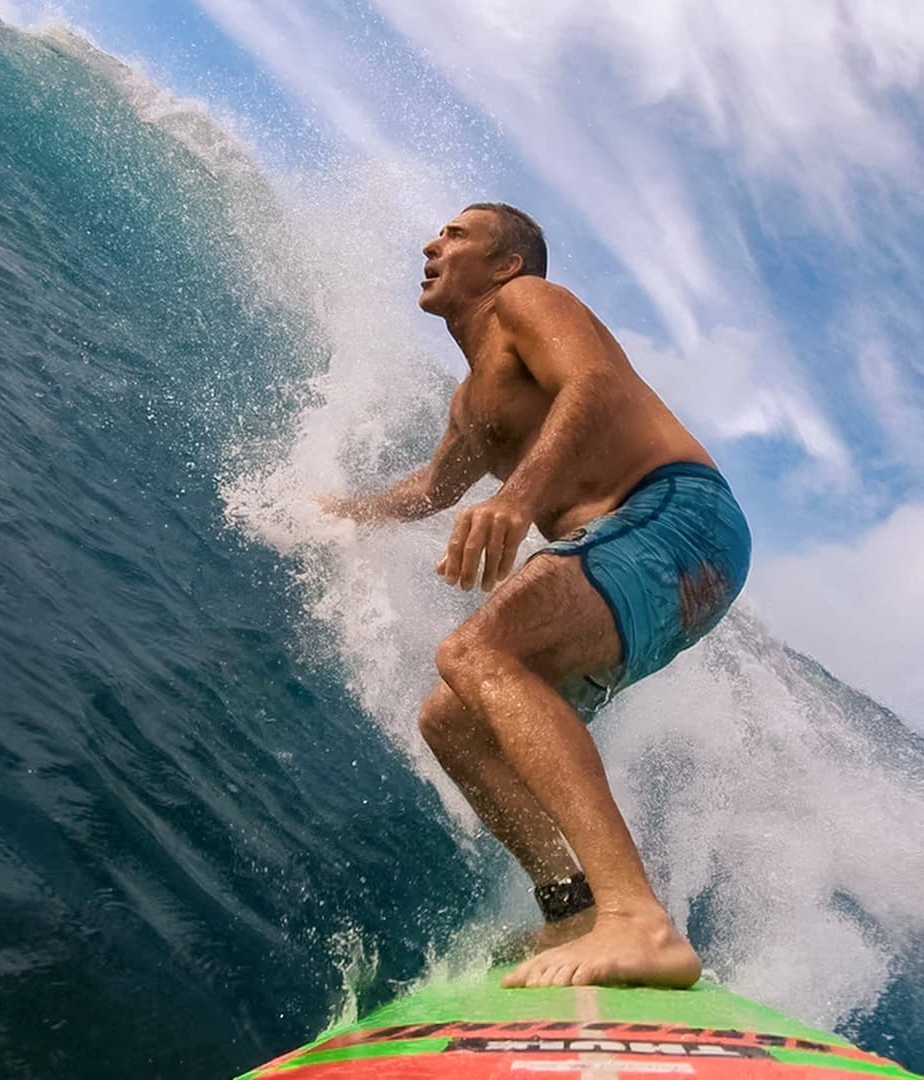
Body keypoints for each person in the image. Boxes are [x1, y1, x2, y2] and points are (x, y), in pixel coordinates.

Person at [319, 203, 751, 989]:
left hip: (678, 514)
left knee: (477, 650)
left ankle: (638, 920)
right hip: (662, 554)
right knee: (453, 719)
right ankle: (575, 909)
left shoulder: (529, 302)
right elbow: (431, 490)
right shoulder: (471, 402)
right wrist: (337, 514)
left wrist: (517, 499)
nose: (432, 244)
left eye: (456, 235)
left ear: (506, 264)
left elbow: (595, 383)